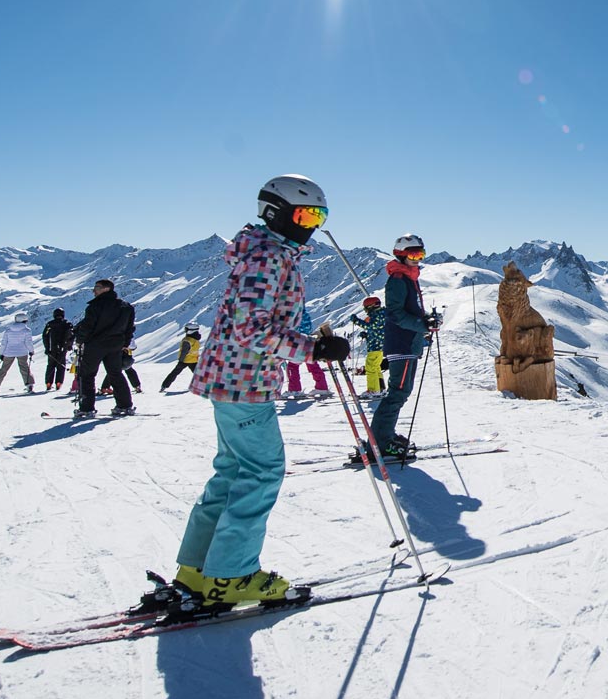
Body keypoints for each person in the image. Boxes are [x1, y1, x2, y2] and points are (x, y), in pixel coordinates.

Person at [173, 174, 350, 607]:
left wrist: (311, 347)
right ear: (276, 212)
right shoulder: (268, 257)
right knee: (261, 471)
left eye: (319, 216)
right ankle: (231, 575)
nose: (311, 223)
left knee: (232, 473)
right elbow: (252, 329)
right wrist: (314, 349)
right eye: (306, 213)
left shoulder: (266, 253)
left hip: (234, 377)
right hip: (243, 379)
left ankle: (198, 570)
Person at [367, 234, 438, 461]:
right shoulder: (398, 279)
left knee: (400, 392)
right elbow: (396, 314)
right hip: (403, 343)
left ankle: (383, 436)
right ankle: (380, 442)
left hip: (408, 343)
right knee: (397, 393)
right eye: (413, 254)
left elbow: (410, 310)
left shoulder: (408, 277)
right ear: (400, 254)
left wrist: (426, 320)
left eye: (421, 254)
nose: (417, 259)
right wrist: (421, 324)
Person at [74, 279, 136, 416]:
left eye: (97, 287)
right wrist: (125, 344)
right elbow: (129, 328)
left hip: (95, 345)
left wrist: (79, 340)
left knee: (87, 375)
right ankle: (125, 405)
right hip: (116, 345)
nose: (94, 290)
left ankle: (86, 408)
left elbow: (87, 326)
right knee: (116, 374)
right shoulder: (126, 307)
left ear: (106, 289)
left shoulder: (95, 306)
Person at [282, 307, 330, 395]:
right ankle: (322, 386)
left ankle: (294, 389)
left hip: (297, 343)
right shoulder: (305, 315)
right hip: (308, 342)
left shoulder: (292, 315)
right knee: (312, 364)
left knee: (293, 366)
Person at [0, 312, 37, 394]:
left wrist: (1, 353)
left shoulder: (9, 330)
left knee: (3, 369)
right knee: (24, 368)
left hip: (8, 352)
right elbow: (28, 342)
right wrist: (31, 351)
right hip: (22, 352)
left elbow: (4, 343)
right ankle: (29, 385)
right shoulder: (27, 330)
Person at [349, 295, 385, 394]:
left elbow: (371, 326)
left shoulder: (376, 315)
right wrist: (368, 335)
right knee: (376, 367)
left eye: (366, 309)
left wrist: (356, 321)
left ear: (370, 307)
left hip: (375, 346)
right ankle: (381, 388)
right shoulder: (382, 314)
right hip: (380, 346)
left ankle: (374, 390)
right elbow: (377, 330)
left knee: (370, 368)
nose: (366, 311)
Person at [161, 324, 202, 391]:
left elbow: (184, 351)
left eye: (186, 329)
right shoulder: (196, 339)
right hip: (194, 360)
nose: (185, 331)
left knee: (174, 373)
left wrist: (181, 360)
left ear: (190, 331)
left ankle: (164, 386)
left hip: (185, 360)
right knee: (198, 374)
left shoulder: (187, 340)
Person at [42, 308, 73, 391]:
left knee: (51, 365)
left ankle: (48, 383)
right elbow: (71, 335)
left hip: (52, 348)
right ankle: (58, 383)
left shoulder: (50, 324)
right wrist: (69, 345)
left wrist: (47, 348)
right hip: (63, 348)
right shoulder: (67, 324)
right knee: (61, 366)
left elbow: (45, 336)